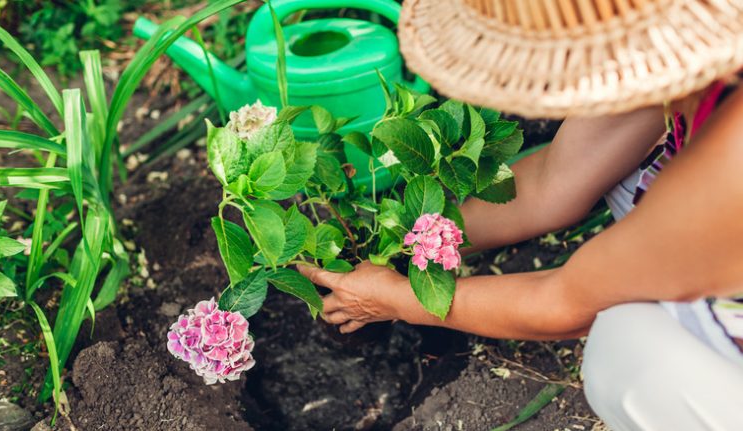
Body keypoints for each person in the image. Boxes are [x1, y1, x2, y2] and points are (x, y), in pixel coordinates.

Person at [298, 0, 743, 429]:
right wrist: (407, 239)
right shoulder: (669, 43)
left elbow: (566, 302)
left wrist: (395, 300)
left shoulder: (732, 163)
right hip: (700, 228)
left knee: (625, 349)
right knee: (629, 177)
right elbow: (553, 182)